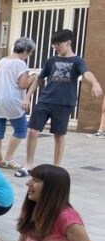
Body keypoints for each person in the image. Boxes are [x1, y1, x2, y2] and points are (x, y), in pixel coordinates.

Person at [17, 29, 103, 177]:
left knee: (59, 135)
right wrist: (27, 97)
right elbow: (39, 79)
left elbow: (87, 73)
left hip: (64, 103)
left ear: (68, 42)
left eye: (58, 44)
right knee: (32, 131)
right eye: (54, 45)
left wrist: (95, 83)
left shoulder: (77, 61)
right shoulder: (51, 60)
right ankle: (29, 165)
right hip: (45, 100)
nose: (55, 47)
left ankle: (56, 168)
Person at [0, 37, 37, 170]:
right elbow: (22, 84)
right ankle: (8, 158)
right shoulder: (20, 64)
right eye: (30, 52)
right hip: (11, 100)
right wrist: (33, 77)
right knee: (21, 129)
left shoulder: (3, 60)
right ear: (25, 50)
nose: (29, 55)